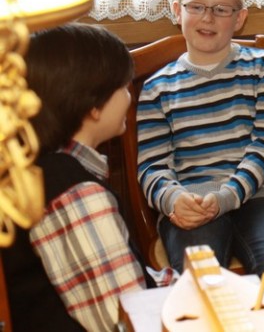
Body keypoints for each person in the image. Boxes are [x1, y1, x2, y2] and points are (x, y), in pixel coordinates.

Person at [136, 0, 264, 313]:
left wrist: (227, 195)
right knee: (201, 284)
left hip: (263, 194)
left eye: (220, 10)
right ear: (178, 11)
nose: (207, 18)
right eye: (196, 7)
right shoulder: (156, 88)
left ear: (239, 17)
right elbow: (152, 165)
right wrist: (171, 199)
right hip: (191, 204)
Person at [3, 23, 172, 331]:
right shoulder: (75, 193)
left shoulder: (39, 167)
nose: (129, 96)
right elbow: (124, 320)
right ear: (93, 105)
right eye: (123, 87)